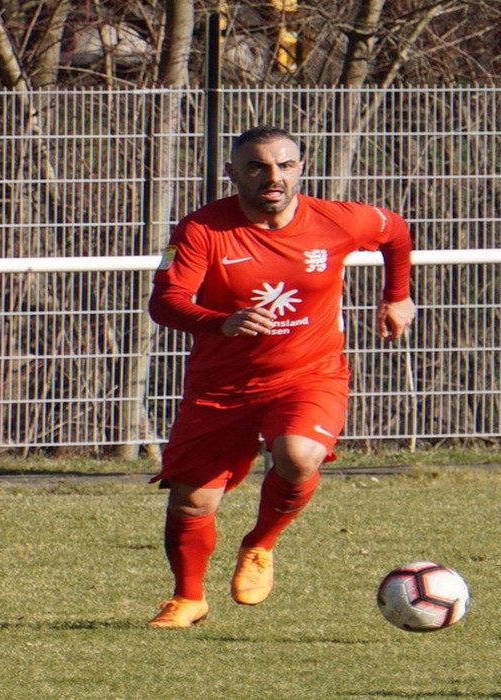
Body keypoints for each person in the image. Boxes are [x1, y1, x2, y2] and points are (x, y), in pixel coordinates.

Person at [145, 126, 416, 628]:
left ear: (300, 168)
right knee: (193, 502)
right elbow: (165, 302)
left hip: (309, 374)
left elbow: (394, 231)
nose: (274, 177)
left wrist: (396, 295)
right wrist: (219, 321)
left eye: (285, 165)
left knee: (298, 455)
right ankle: (188, 598)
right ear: (233, 172)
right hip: (221, 387)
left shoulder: (336, 220)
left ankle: (260, 544)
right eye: (257, 166)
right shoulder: (202, 229)